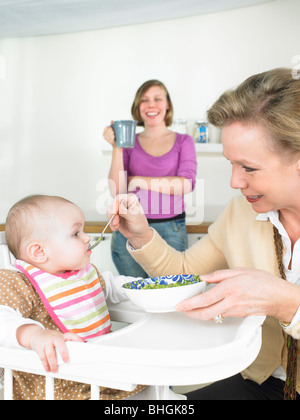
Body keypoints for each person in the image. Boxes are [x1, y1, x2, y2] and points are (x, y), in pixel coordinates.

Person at [107, 68, 300, 400]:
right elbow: (184, 274)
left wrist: (286, 302)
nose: (235, 182)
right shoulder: (240, 212)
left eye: (249, 168)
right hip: (264, 380)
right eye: (231, 164)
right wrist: (141, 235)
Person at [0, 195, 184, 400]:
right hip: (57, 386)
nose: (87, 237)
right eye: (76, 233)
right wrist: (34, 335)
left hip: (102, 375)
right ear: (39, 251)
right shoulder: (18, 283)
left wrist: (151, 286)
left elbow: (115, 286)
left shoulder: (85, 275)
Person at [103, 79, 197, 278]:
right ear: (138, 107)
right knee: (134, 297)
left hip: (171, 229)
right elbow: (118, 191)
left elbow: (185, 184)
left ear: (167, 105)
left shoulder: (183, 141)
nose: (151, 105)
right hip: (128, 229)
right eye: (145, 100)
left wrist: (137, 180)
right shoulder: (128, 143)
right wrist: (117, 147)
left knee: (170, 293)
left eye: (157, 99)